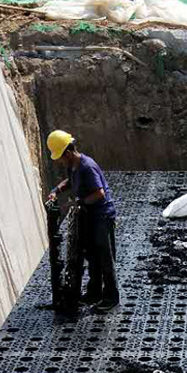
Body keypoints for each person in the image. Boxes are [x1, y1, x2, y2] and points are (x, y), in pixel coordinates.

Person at [45, 130, 119, 313]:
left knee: (105, 258)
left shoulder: (87, 167)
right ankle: (94, 293)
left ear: (68, 153)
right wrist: (56, 190)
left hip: (102, 216)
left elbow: (99, 193)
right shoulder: (73, 166)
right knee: (92, 255)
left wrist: (78, 202)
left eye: (61, 158)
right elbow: (70, 181)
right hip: (90, 215)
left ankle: (111, 297)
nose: (61, 162)